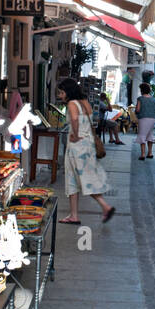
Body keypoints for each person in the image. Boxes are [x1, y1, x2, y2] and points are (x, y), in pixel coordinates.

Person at [56, 78, 115, 225]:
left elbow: (75, 120)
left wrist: (75, 135)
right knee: (80, 179)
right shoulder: (85, 103)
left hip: (77, 146)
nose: (60, 96)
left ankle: (104, 207)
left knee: (79, 180)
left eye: (62, 92)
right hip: (87, 144)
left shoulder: (71, 104)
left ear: (68, 92)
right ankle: (74, 215)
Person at [135, 81, 155, 161]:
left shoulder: (140, 99)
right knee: (149, 135)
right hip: (152, 119)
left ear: (142, 90)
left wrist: (136, 111)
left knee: (142, 135)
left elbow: (138, 109)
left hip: (143, 118)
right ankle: (150, 153)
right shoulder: (153, 99)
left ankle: (142, 154)